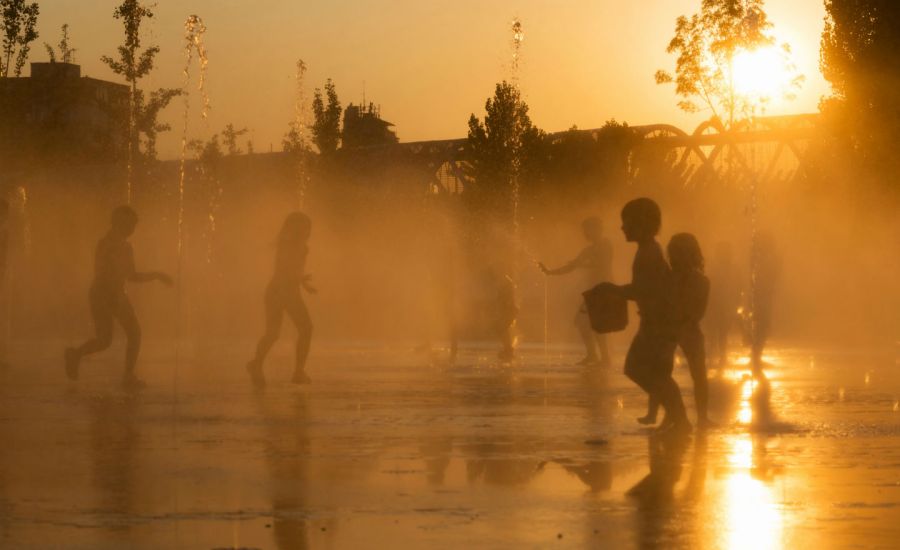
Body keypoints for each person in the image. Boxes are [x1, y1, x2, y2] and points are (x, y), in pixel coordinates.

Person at [603, 198, 690, 435]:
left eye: (626, 222)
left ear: (642, 223)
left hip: (659, 324)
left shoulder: (649, 253)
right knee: (655, 372)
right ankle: (677, 418)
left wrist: (614, 290)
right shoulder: (648, 249)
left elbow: (644, 289)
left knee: (640, 369)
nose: (622, 227)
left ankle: (679, 419)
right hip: (657, 321)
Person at [65, 206, 173, 389]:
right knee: (117, 337)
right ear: (118, 223)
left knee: (119, 336)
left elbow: (131, 276)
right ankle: (81, 357)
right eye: (130, 224)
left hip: (113, 293)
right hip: (103, 293)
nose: (133, 229)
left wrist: (156, 275)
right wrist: (112, 293)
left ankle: (80, 356)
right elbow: (101, 271)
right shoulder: (106, 244)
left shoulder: (126, 246)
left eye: (134, 225)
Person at [639, 233, 712, 428]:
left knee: (696, 375)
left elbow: (698, 312)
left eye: (681, 253)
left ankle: (701, 417)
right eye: (675, 253)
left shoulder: (699, 281)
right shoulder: (669, 278)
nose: (677, 258)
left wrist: (677, 324)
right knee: (662, 373)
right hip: (672, 329)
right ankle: (658, 414)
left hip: (685, 329)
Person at [247, 212, 316, 388]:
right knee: (297, 330)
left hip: (285, 291)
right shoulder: (287, 245)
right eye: (302, 226)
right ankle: (296, 371)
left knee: (278, 333)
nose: (306, 229)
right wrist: (300, 280)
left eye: (307, 226)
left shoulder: (302, 247)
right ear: (293, 227)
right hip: (281, 292)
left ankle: (257, 364)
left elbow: (295, 271)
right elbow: (285, 269)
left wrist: (303, 283)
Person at [539, 216, 613, 367]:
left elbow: (603, 264)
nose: (585, 233)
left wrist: (582, 265)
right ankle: (596, 356)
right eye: (585, 230)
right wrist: (550, 272)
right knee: (584, 323)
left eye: (588, 229)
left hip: (603, 289)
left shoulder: (606, 244)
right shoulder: (588, 250)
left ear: (597, 229)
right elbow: (572, 266)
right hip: (594, 291)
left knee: (592, 323)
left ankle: (602, 358)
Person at [706, 241, 740, 366]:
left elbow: (737, 287)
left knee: (720, 333)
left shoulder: (719, 268)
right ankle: (717, 355)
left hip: (721, 306)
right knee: (718, 333)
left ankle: (719, 356)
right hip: (716, 305)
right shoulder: (715, 268)